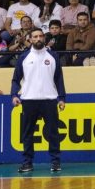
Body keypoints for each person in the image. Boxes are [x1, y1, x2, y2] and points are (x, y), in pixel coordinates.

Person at [10, 28, 66, 173]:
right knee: (27, 133)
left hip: (49, 99)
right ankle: (27, 163)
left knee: (53, 133)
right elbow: (16, 79)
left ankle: (55, 162)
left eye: (41, 36)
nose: (38, 38)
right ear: (30, 39)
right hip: (29, 100)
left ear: (44, 38)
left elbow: (59, 78)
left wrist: (61, 98)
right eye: (35, 37)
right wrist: (14, 95)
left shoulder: (53, 56)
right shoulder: (23, 57)